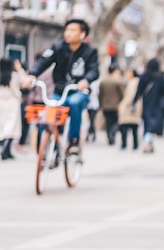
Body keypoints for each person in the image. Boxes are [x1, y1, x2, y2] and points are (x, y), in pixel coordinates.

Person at [23, 18, 99, 154]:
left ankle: (73, 141)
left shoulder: (90, 51)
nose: (68, 33)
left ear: (82, 34)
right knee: (48, 111)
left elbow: (94, 70)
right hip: (60, 91)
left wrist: (86, 80)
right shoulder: (58, 47)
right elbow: (43, 61)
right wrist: (32, 74)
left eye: (72, 30)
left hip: (79, 91)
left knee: (75, 103)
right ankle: (48, 149)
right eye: (67, 30)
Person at [132, 58, 164, 153]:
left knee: (147, 125)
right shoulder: (160, 77)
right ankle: (147, 144)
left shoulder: (144, 77)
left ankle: (148, 144)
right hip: (157, 105)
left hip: (147, 104)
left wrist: (134, 102)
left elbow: (138, 91)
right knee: (152, 126)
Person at [0, 58, 25, 160]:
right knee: (11, 126)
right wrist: (20, 70)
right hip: (12, 102)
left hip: (1, 102)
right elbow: (23, 81)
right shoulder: (14, 75)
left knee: (2, 125)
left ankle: (7, 150)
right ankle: (5, 149)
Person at [99, 65, 125, 145]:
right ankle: (113, 132)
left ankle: (109, 137)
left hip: (105, 106)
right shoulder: (117, 81)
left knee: (108, 122)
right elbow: (121, 94)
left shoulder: (103, 81)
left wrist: (101, 104)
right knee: (116, 121)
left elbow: (100, 94)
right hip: (115, 105)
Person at [118, 69, 142, 150]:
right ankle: (135, 144)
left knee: (125, 126)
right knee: (134, 126)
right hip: (134, 107)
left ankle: (125, 144)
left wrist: (123, 104)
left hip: (129, 108)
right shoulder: (135, 82)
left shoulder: (133, 82)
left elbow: (130, 96)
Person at [86, 78, 100, 142]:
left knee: (92, 120)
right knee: (90, 120)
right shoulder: (87, 82)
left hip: (94, 105)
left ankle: (91, 134)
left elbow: (97, 93)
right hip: (89, 105)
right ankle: (90, 134)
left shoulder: (97, 83)